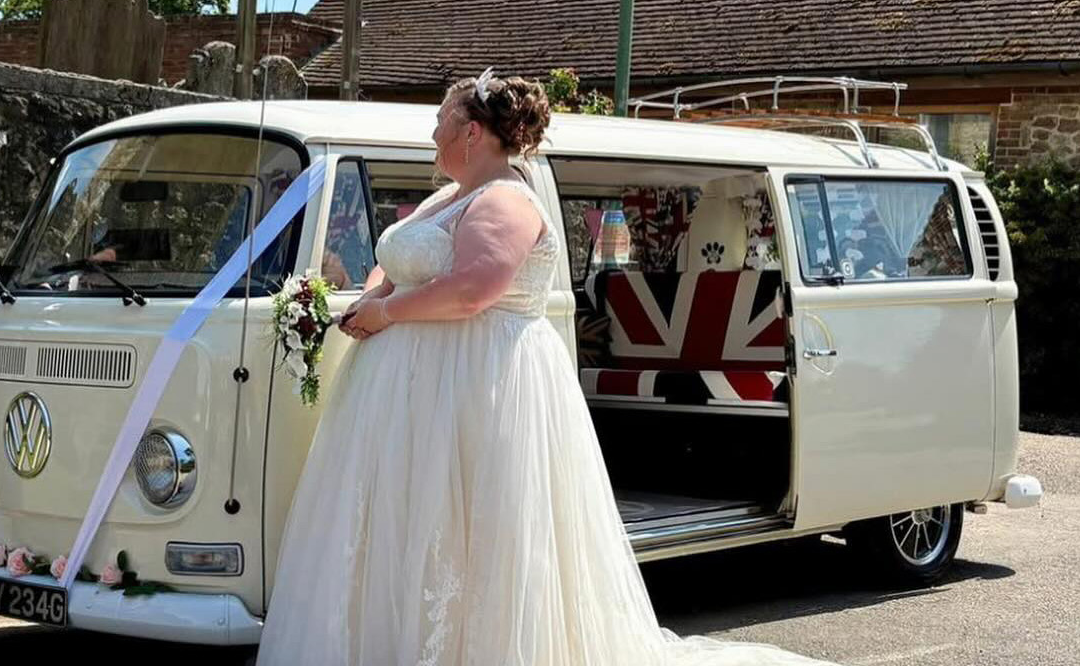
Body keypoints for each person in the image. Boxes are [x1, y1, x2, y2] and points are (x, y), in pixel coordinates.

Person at [255, 72, 838, 665]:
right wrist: (369, 295)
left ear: (473, 133)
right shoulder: (446, 196)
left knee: (474, 530)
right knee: (408, 527)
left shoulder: (506, 198)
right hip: (408, 393)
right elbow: (400, 259)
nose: (433, 130)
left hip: (478, 383)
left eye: (442, 120)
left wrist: (384, 312)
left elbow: (474, 290)